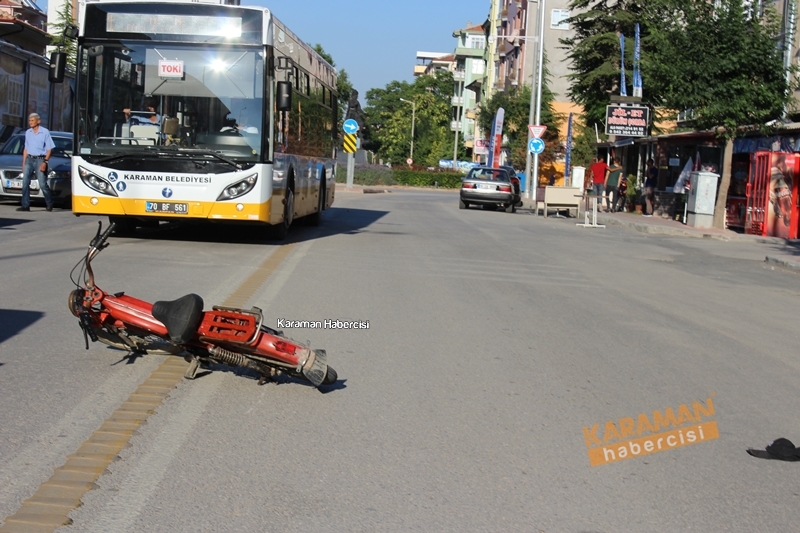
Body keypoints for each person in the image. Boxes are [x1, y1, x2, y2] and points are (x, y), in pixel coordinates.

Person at [17, 113, 55, 212]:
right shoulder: (28, 132)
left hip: (40, 159)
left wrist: (45, 162)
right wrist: (23, 163)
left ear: (38, 121)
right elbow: (26, 149)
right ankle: (25, 205)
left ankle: (49, 203)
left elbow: (49, 149)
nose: (30, 122)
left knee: (42, 184)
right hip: (29, 159)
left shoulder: (45, 132)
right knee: (25, 182)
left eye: (32, 120)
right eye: (29, 120)